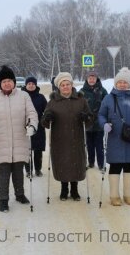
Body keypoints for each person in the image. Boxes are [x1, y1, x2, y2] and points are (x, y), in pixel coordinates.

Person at [0, 65, 38, 212]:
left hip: (20, 139)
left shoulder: (24, 96)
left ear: (14, 82)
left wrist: (32, 125)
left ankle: (20, 194)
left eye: (9, 80)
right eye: (4, 81)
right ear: (0, 84)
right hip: (1, 141)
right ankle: (3, 200)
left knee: (18, 171)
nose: (7, 83)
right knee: (3, 173)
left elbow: (31, 114)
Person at [98, 67, 130, 206]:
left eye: (125, 82)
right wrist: (104, 125)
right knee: (115, 166)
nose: (122, 84)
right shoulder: (108, 98)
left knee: (129, 166)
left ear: (129, 84)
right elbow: (101, 114)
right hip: (115, 138)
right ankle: (114, 196)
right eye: (119, 82)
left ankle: (128, 194)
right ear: (115, 83)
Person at [41, 72, 94, 201]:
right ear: (59, 87)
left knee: (76, 163)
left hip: (77, 138)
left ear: (72, 85)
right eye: (63, 85)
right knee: (62, 163)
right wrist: (48, 118)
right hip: (60, 139)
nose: (65, 87)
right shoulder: (53, 102)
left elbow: (90, 119)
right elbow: (44, 122)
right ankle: (64, 189)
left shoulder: (81, 101)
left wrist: (86, 117)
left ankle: (74, 190)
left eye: (68, 84)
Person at [79, 70, 108, 170]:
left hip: (99, 123)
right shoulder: (82, 92)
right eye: (90, 78)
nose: (91, 80)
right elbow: (78, 106)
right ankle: (90, 162)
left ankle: (101, 164)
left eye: (93, 78)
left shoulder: (102, 91)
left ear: (97, 79)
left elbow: (107, 105)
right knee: (89, 145)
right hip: (87, 123)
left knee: (99, 145)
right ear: (87, 79)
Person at [21, 76, 47, 178]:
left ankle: (37, 169)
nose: (31, 86)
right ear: (26, 85)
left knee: (38, 150)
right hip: (25, 127)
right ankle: (28, 170)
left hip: (39, 127)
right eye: (29, 84)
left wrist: (46, 119)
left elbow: (47, 110)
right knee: (27, 150)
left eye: (33, 84)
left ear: (35, 85)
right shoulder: (21, 97)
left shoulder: (41, 97)